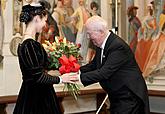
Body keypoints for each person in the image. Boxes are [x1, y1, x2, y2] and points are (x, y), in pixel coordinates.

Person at [75, 16, 150, 114]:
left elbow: (104, 73)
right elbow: (94, 65)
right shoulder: (101, 44)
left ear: (101, 32)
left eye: (89, 33)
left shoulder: (117, 46)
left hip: (129, 96)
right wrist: (77, 70)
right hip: (117, 96)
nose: (88, 37)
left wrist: (77, 78)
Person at [13, 3, 76, 114]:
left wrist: (64, 62)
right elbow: (38, 77)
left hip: (34, 94)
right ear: (37, 18)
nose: (45, 25)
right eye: (45, 21)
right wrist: (61, 79)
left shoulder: (28, 44)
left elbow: (43, 67)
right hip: (37, 98)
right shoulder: (30, 45)